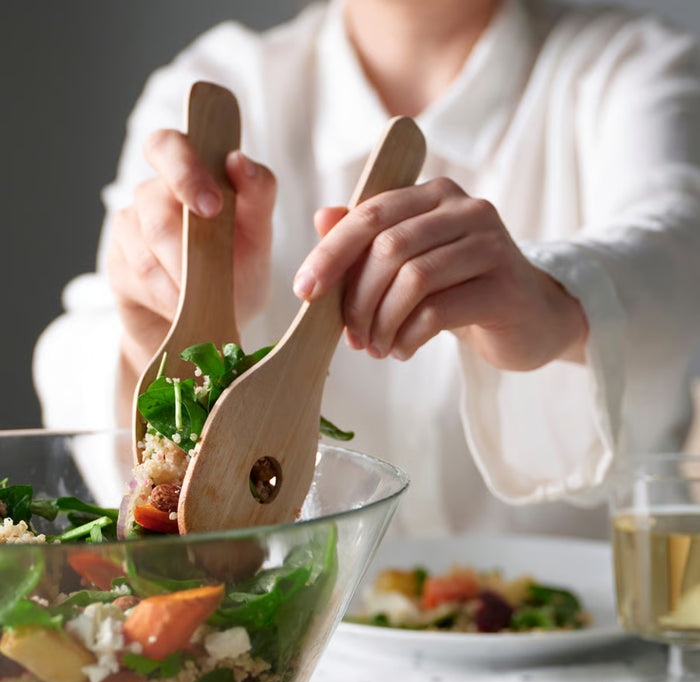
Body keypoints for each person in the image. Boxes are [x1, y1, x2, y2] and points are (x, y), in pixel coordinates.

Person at [33, 0, 700, 539]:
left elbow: (674, 243)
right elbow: (80, 349)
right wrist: (161, 330)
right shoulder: (215, 79)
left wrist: (556, 304)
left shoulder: (633, 65)